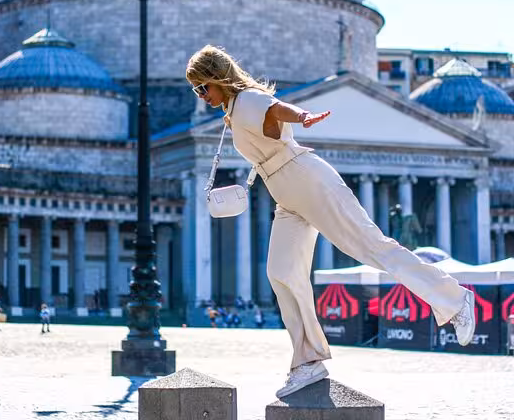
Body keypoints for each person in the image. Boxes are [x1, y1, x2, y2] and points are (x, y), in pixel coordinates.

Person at [186, 46, 476, 399]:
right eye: (196, 91)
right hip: (287, 195)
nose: (202, 96)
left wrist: (302, 116)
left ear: (218, 78)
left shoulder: (247, 99)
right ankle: (308, 361)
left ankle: (455, 298)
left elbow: (277, 108)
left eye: (203, 87)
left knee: (373, 248)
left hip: (309, 181)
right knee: (281, 271)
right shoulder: (234, 110)